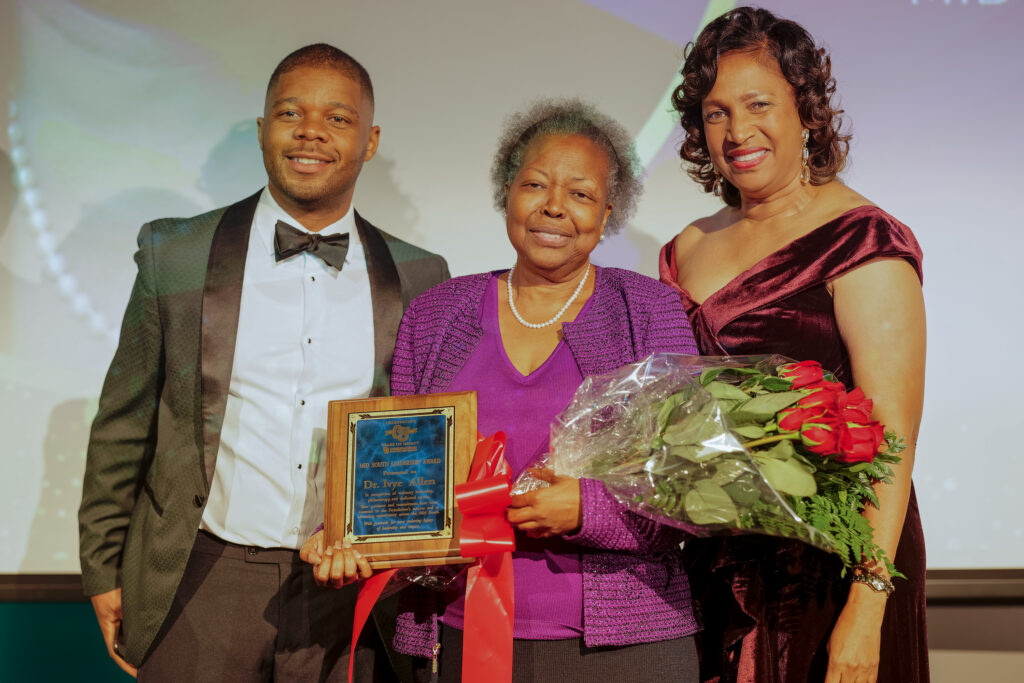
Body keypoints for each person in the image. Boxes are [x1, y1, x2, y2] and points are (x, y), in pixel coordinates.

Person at [77, 43, 449, 681]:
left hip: (350, 588)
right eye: (290, 113)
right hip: (200, 578)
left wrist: (381, 539)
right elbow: (125, 418)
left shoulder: (420, 275)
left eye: (337, 118)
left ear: (369, 140)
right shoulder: (177, 252)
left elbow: (419, 440)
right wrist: (103, 566)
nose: (311, 132)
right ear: (262, 129)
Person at [373, 99, 699, 682]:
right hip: (457, 636)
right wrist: (349, 534)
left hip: (624, 651)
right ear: (507, 192)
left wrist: (587, 509)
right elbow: (398, 473)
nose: (554, 206)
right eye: (535, 184)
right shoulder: (436, 314)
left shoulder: (648, 311)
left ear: (607, 212)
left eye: (581, 193)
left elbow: (690, 488)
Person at [659, 7, 928, 683]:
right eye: (716, 113)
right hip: (716, 561)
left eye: (758, 105)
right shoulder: (686, 246)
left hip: (832, 566)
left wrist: (867, 604)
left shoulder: (862, 239)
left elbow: (891, 439)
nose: (737, 131)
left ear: (806, 111)